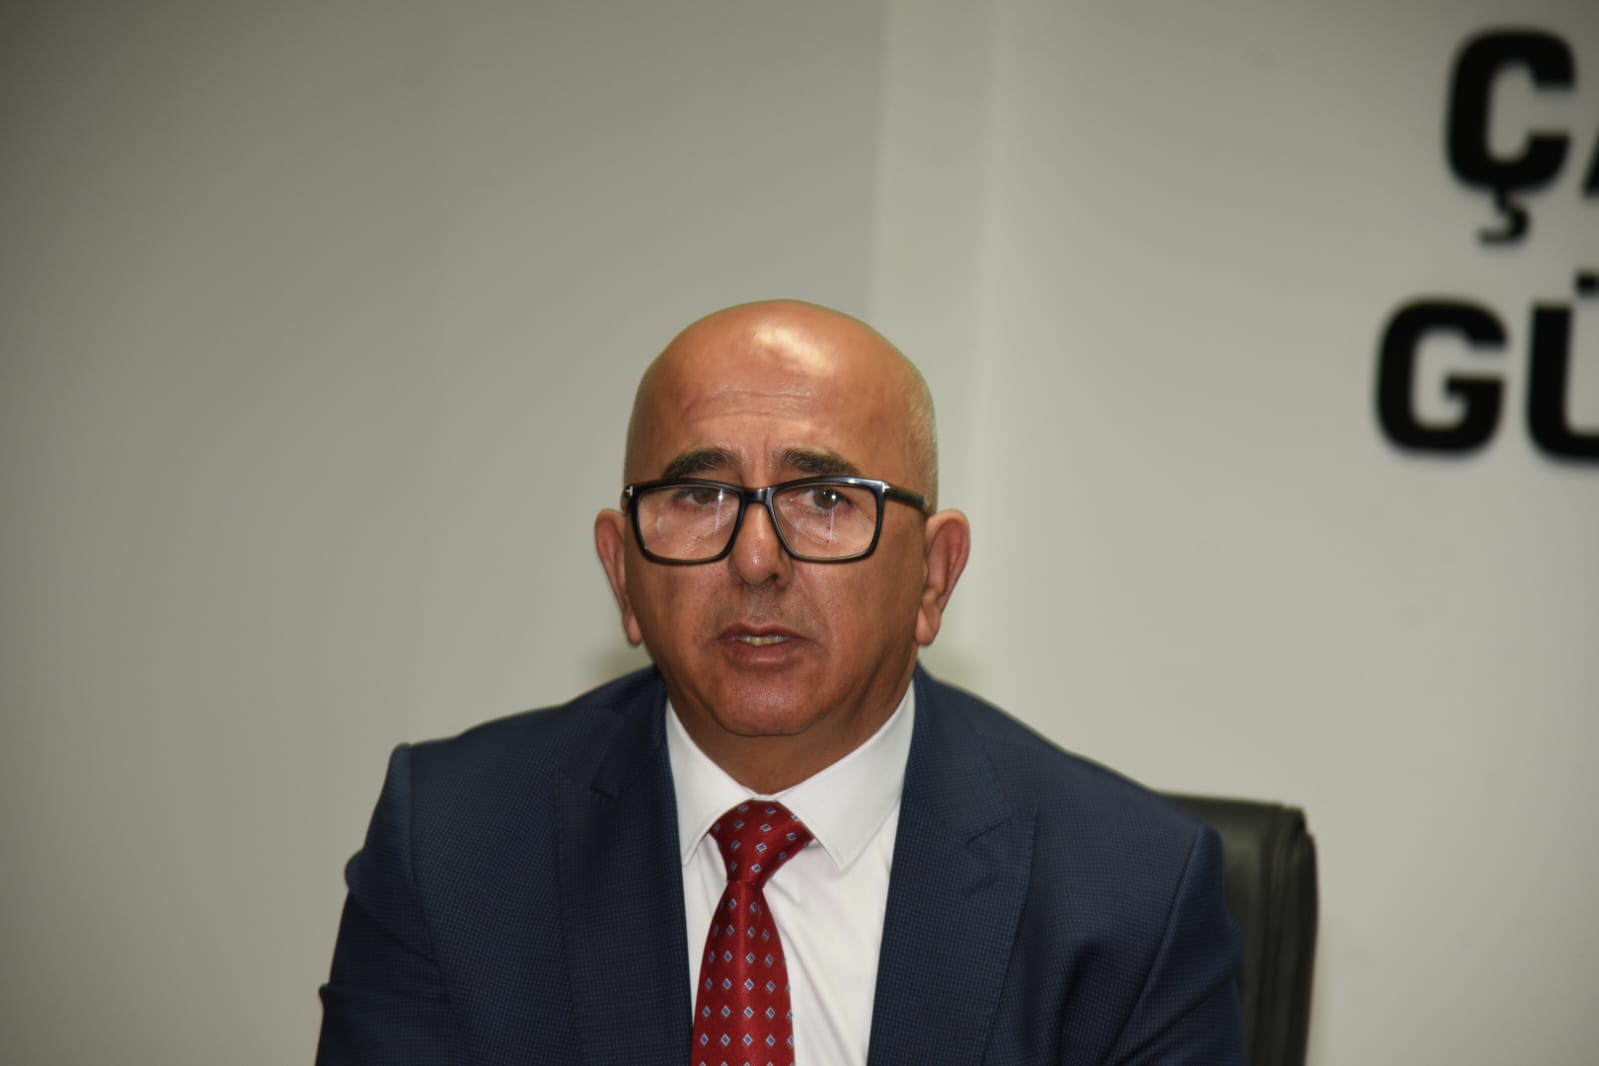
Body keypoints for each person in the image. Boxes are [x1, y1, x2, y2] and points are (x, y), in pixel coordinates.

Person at [316, 300, 1246, 1065]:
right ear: (621, 574)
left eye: (826, 499)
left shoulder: (1132, 898)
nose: (755, 558)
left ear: (933, 577)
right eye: (698, 496)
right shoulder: (452, 845)